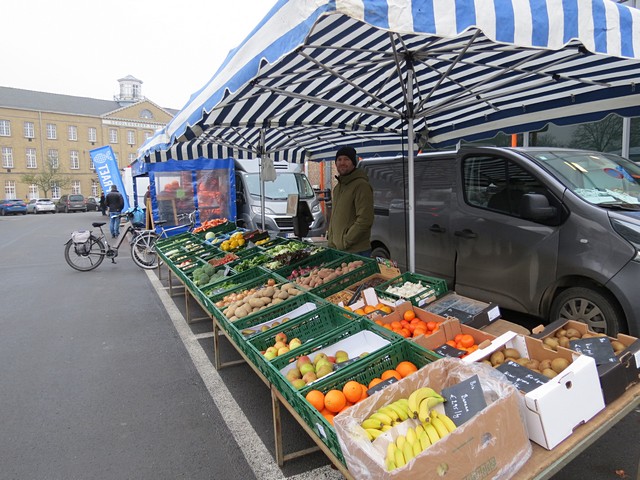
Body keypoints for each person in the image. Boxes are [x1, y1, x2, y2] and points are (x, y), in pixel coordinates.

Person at [326, 146, 374, 257]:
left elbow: (365, 219)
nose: (342, 163)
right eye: (339, 159)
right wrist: (331, 239)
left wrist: (346, 240)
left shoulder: (361, 185)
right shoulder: (338, 188)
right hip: (338, 250)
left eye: (346, 159)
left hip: (356, 252)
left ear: (353, 163)